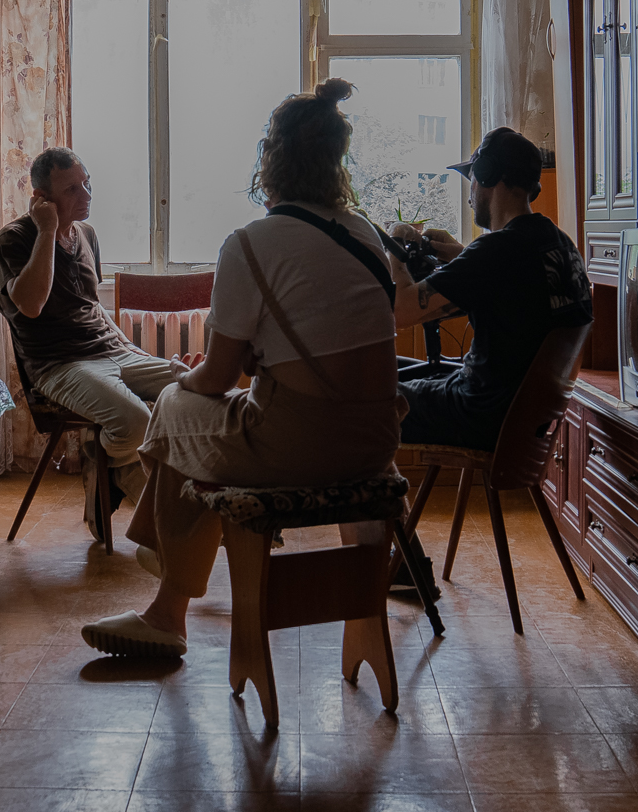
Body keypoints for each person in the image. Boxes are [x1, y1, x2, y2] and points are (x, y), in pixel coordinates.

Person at [81, 78, 405, 658]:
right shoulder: (366, 235)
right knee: (195, 433)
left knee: (179, 408)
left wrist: (184, 376)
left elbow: (217, 379)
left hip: (302, 445)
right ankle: (162, 558)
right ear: (336, 162)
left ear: (270, 161)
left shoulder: (251, 243)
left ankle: (166, 589)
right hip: (378, 440)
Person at [0, 148, 179, 539]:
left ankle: (106, 461)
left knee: (196, 388)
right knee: (134, 425)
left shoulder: (87, 235)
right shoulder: (15, 238)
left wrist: (133, 353)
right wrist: (47, 231)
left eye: (87, 183)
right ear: (42, 197)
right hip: (60, 365)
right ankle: (163, 519)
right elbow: (30, 304)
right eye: (73, 189)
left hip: (112, 352)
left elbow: (91, 307)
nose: (87, 195)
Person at [389, 127, 592, 452]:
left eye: (471, 180)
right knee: (388, 367)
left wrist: (396, 241)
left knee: (361, 394)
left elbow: (401, 311)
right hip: (520, 417)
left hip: (477, 416)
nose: (470, 196)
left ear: (486, 175)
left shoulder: (497, 251)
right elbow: (513, 281)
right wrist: (462, 253)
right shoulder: (558, 242)